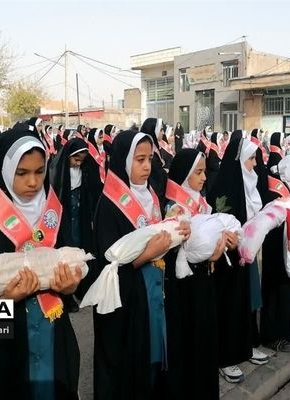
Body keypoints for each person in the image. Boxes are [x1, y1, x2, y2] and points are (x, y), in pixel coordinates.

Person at [0, 126, 82, 399]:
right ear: (6, 170)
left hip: (53, 335)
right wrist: (6, 300)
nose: (33, 182)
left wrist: (70, 288)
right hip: (5, 345)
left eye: (40, 171)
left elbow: (75, 270)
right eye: (22, 173)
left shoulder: (53, 214)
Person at [92, 130, 189, 399]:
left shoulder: (151, 196)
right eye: (139, 159)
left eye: (150, 159)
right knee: (129, 366)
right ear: (124, 160)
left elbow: (157, 239)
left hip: (154, 293)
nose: (147, 166)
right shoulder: (109, 205)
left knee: (154, 360)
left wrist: (175, 234)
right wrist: (148, 254)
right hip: (128, 304)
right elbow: (106, 267)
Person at [163, 148, 229, 399]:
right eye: (198, 172)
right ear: (185, 173)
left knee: (205, 341)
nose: (204, 178)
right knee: (190, 343)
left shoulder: (200, 202)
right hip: (185, 290)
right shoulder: (173, 208)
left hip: (204, 282)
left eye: (203, 171)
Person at [207, 137, 268, 384]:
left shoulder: (250, 185)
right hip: (228, 261)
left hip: (248, 256)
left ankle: (247, 346)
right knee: (230, 305)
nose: (255, 164)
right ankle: (226, 357)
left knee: (249, 301)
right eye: (251, 158)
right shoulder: (225, 188)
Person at [260, 132, 290, 352]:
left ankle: (288, 331)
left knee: (289, 295)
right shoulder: (273, 194)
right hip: (277, 256)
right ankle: (272, 335)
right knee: (276, 295)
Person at [140, 118, 168, 212]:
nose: (163, 133)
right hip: (152, 192)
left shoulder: (155, 146)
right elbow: (156, 175)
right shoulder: (147, 151)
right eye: (161, 130)